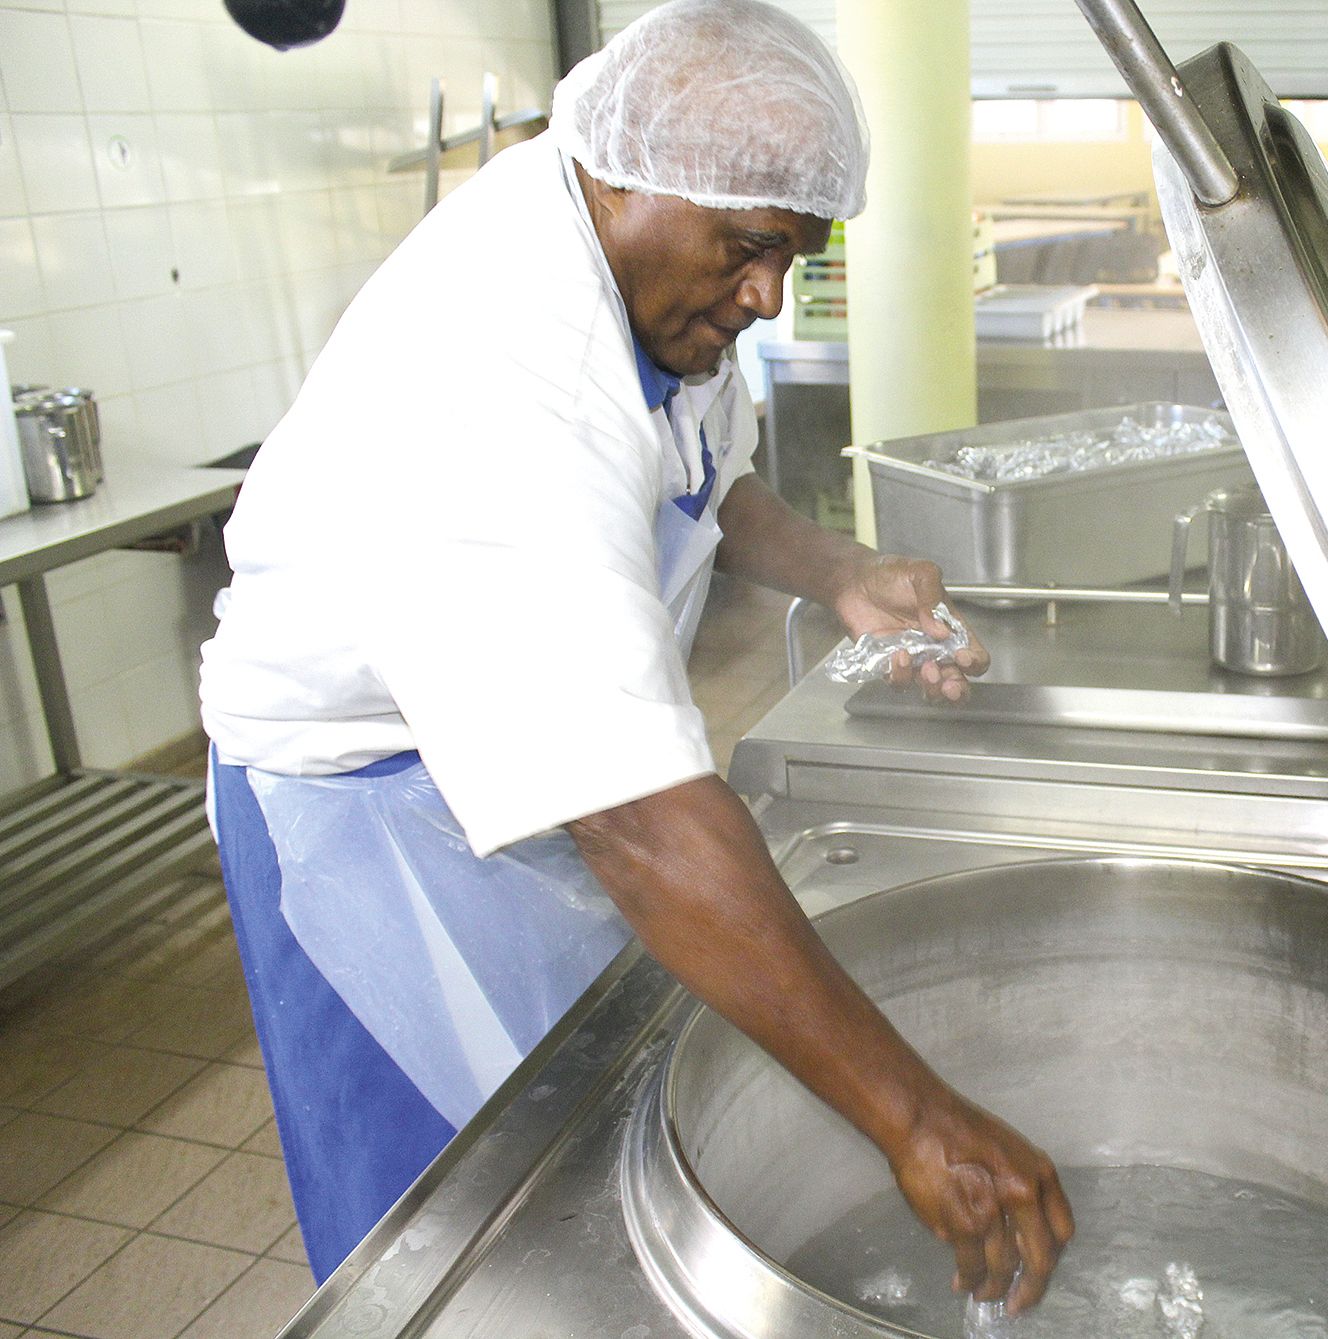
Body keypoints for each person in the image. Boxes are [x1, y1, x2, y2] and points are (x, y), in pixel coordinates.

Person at [198, 0, 1073, 1312]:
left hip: (523, 788)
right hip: (360, 821)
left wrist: (839, 572)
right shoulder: (498, 376)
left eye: (794, 254)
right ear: (623, 176)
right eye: (753, 250)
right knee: (443, 1241)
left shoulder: (654, 282)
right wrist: (920, 1122)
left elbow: (699, 481)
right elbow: (643, 824)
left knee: (564, 1152)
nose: (769, 296)